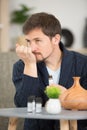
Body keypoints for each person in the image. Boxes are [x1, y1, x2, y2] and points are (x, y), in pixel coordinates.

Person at [12, 12, 87, 130]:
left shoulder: (83, 64)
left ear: (56, 39)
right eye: (28, 41)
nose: (32, 48)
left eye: (38, 40)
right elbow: (23, 107)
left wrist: (68, 97)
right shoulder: (22, 66)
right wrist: (30, 65)